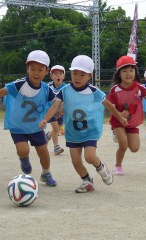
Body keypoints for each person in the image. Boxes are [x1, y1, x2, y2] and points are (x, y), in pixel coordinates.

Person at [39, 55, 128, 193]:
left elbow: (108, 105)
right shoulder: (65, 90)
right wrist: (45, 119)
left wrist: (120, 117)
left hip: (90, 131)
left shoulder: (94, 91)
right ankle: (87, 180)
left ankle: (101, 167)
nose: (77, 77)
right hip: (73, 132)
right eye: (75, 73)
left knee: (89, 156)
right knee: (76, 161)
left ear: (89, 76)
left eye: (82, 74)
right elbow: (54, 106)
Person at [0, 50, 57, 187]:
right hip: (18, 127)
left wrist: (54, 113)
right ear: (27, 68)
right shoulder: (18, 84)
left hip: (36, 128)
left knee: (44, 153)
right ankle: (24, 159)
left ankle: (46, 173)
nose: (36, 73)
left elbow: (56, 103)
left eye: (40, 69)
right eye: (32, 69)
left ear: (47, 71)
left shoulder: (47, 89)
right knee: (23, 150)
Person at [108, 55, 146, 175]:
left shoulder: (140, 87)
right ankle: (118, 166)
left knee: (134, 148)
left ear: (135, 72)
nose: (128, 73)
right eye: (124, 71)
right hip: (118, 120)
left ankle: (123, 135)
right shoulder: (114, 90)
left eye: (131, 70)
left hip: (132, 121)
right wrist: (119, 115)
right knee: (123, 145)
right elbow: (110, 107)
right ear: (119, 73)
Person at [45, 65, 67, 155]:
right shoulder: (47, 87)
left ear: (64, 76)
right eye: (55, 74)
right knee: (56, 128)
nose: (58, 76)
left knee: (56, 129)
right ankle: (56, 147)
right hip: (49, 110)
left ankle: (48, 135)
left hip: (60, 110)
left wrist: (62, 108)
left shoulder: (66, 88)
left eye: (60, 74)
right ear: (51, 76)